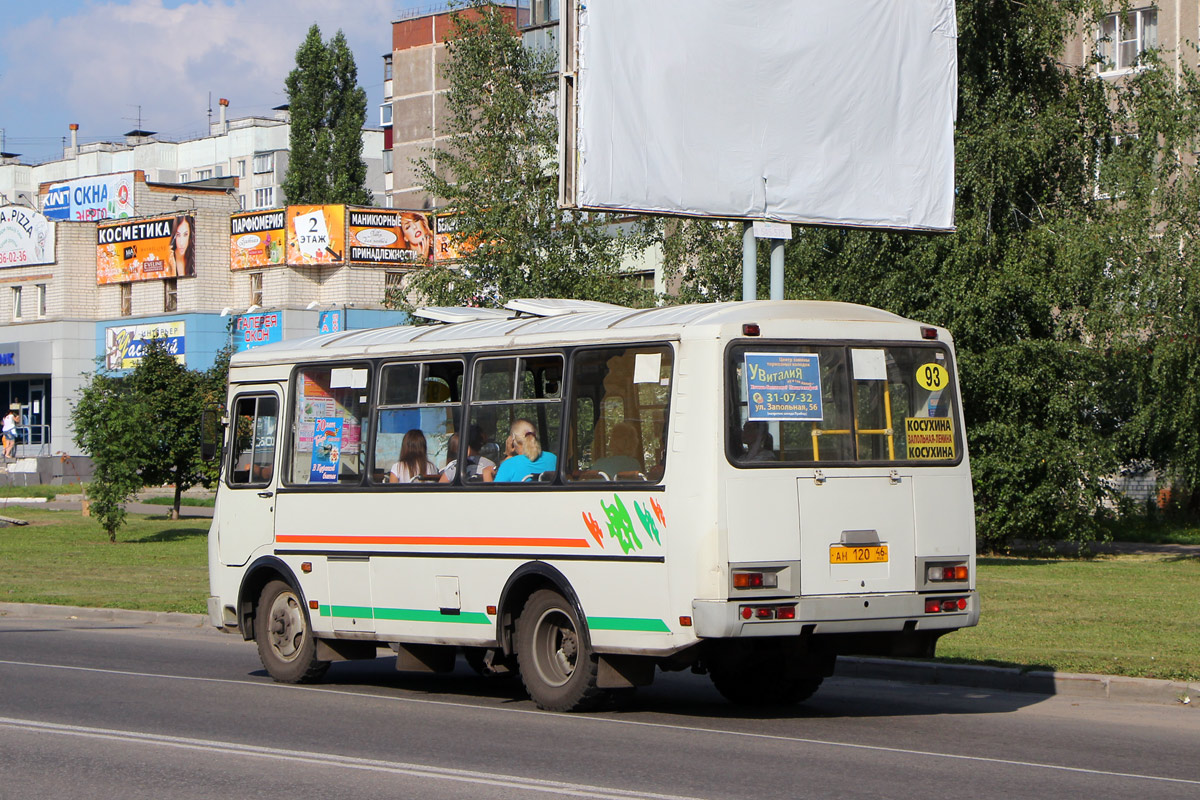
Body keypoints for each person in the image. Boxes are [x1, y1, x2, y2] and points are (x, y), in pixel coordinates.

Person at [486, 418, 557, 482]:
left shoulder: (509, 464)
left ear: (512, 440)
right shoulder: (553, 458)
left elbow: (495, 494)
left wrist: (487, 474)